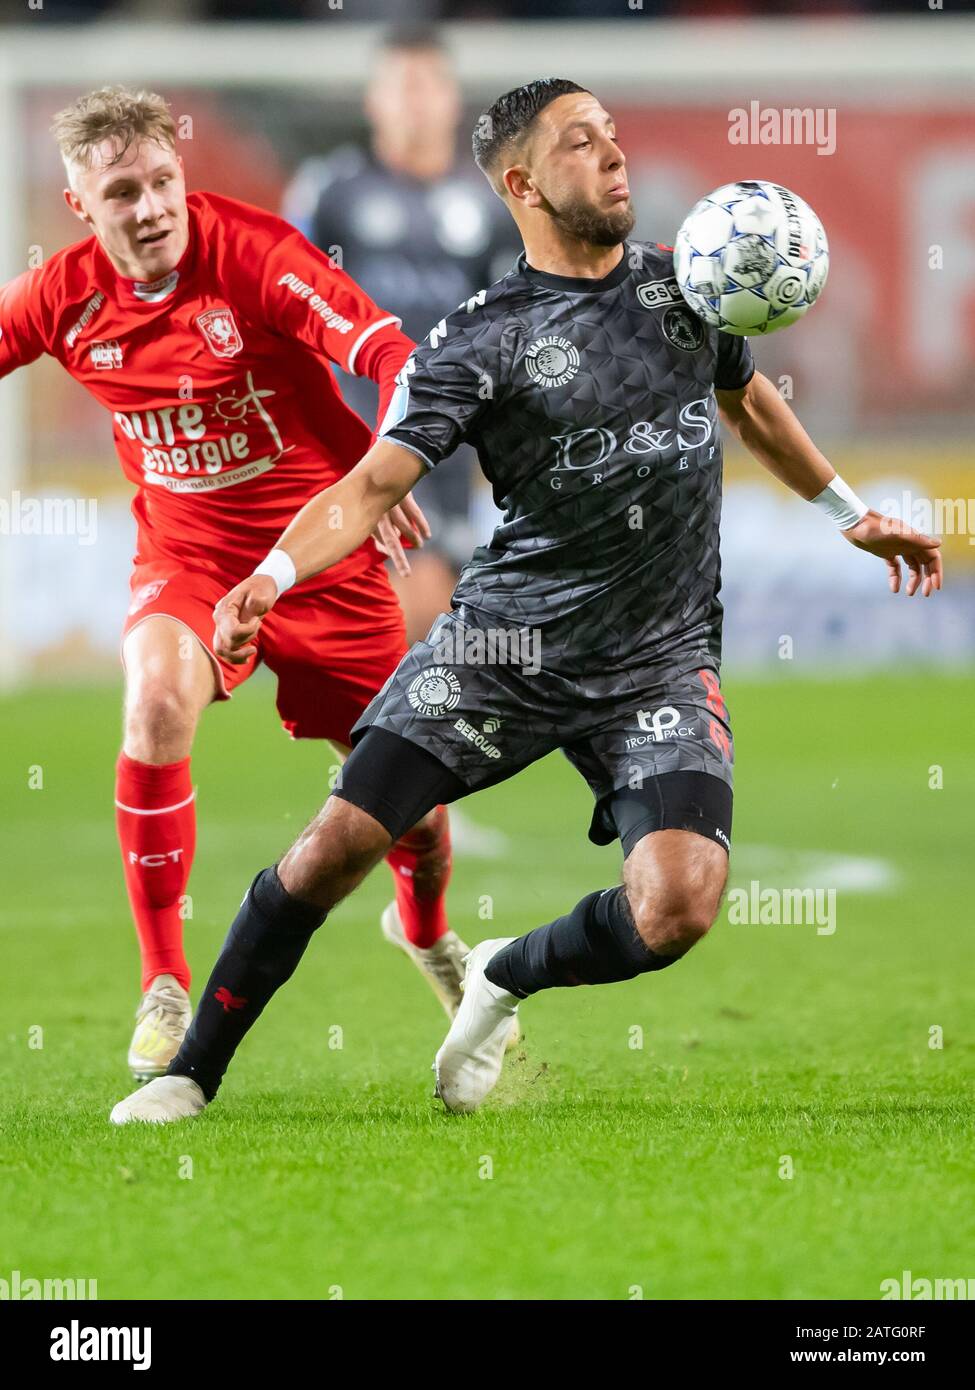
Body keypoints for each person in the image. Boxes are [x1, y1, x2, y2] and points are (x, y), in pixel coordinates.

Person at [109, 79, 941, 1126]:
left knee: (677, 909)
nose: (614, 156)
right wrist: (270, 577)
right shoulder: (478, 340)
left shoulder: (688, 288)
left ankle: (503, 973)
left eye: (614, 137)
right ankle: (193, 1070)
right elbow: (373, 484)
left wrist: (848, 510)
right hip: (506, 645)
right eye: (582, 143)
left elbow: (747, 396)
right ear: (522, 183)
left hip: (657, 657)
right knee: (333, 848)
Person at [0, 84, 471, 1082]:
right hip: (189, 558)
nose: (151, 206)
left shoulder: (252, 254)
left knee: (412, 805)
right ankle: (164, 983)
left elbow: (389, 352)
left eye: (163, 179)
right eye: (122, 191)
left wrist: (383, 465)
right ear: (84, 209)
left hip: (321, 557)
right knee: (156, 701)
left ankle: (428, 936)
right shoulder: (63, 296)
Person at [283, 24, 519, 644]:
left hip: (454, 456)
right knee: (411, 630)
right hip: (359, 449)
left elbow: (511, 333)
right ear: (373, 101)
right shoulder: (332, 194)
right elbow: (284, 309)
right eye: (399, 84)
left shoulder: (491, 209)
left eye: (427, 83)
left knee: (440, 651)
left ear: (452, 99)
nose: (414, 99)